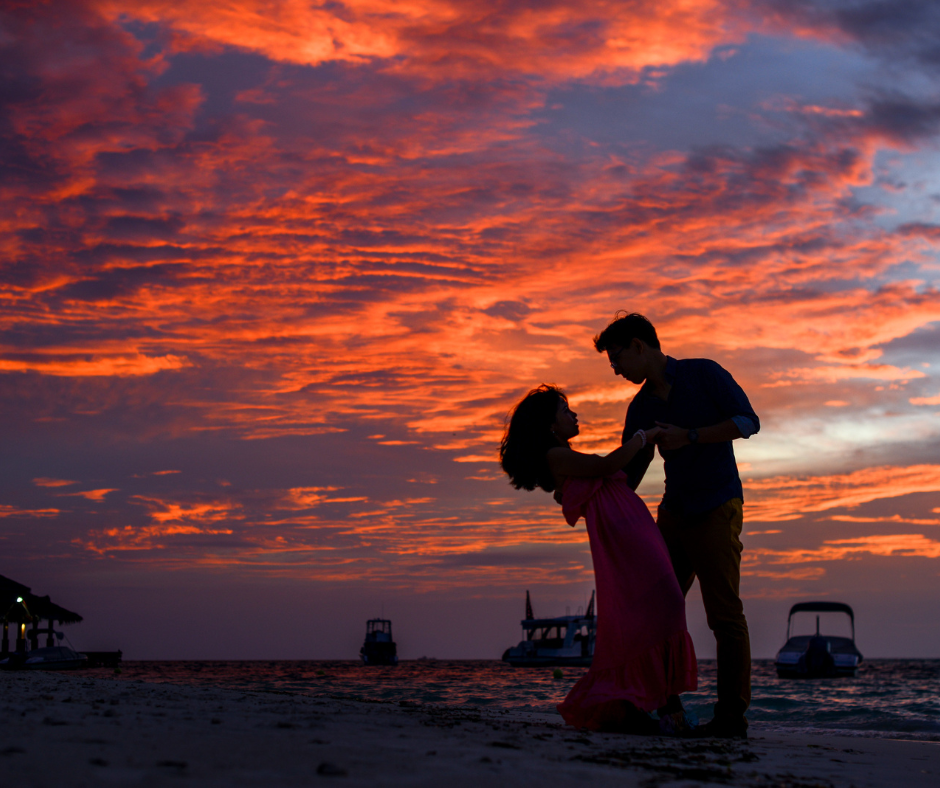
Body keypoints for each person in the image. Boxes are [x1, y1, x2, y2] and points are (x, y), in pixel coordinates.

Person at [593, 312, 759, 739]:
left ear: (639, 346)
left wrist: (691, 435)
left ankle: (731, 719)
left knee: (724, 615)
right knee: (653, 610)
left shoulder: (704, 374)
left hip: (718, 506)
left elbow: (748, 422)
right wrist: (593, 497)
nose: (615, 369)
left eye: (616, 358)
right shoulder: (641, 408)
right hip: (672, 515)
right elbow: (630, 472)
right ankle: (667, 710)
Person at [499, 384, 697, 735]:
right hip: (624, 537)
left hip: (631, 529)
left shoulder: (563, 456)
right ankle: (667, 709)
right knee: (665, 604)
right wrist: (643, 436)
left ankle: (647, 706)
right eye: (565, 411)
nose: (573, 415)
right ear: (550, 425)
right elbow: (607, 465)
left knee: (660, 608)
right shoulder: (555, 456)